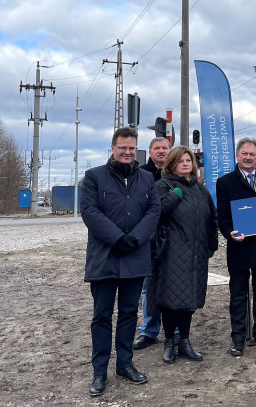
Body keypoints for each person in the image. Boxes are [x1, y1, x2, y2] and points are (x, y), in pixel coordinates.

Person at [81, 126, 161, 397]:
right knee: (102, 316)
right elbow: (90, 211)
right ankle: (99, 371)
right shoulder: (94, 177)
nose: (127, 152)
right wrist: (117, 238)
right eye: (122, 147)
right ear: (113, 148)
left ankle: (125, 364)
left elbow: (154, 210)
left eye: (131, 148)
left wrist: (136, 238)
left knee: (128, 314)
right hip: (104, 257)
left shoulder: (147, 178)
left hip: (135, 258)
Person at [147, 146, 219, 365]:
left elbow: (212, 219)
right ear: (172, 164)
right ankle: (170, 342)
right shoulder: (163, 185)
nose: (186, 164)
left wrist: (211, 245)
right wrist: (173, 197)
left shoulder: (200, 189)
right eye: (181, 161)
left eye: (189, 160)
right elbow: (154, 213)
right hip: (171, 253)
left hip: (196, 253)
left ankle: (185, 341)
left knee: (190, 299)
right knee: (171, 299)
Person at [216, 137, 256, 357]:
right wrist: (229, 232)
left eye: (252, 154)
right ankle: (238, 338)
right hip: (239, 246)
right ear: (237, 155)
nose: (248, 157)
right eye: (245, 154)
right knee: (238, 294)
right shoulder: (225, 182)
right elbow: (221, 216)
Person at [133, 137, 171, 350]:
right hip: (149, 238)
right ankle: (149, 330)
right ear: (150, 152)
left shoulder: (177, 172)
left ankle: (173, 330)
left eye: (165, 148)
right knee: (148, 288)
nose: (161, 151)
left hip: (173, 238)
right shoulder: (141, 174)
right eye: (157, 148)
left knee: (172, 285)